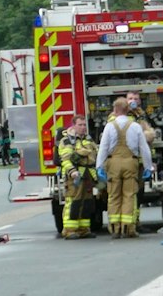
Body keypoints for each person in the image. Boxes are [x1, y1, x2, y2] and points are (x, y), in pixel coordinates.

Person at [97, 95, 153, 238]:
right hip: (131, 163)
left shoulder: (109, 126)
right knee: (129, 195)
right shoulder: (135, 126)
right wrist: (148, 167)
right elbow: (144, 148)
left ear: (115, 110)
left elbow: (103, 148)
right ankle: (128, 228)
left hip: (113, 163)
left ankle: (115, 229)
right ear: (128, 110)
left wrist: (99, 167)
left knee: (114, 195)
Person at [56, 120, 100, 239]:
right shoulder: (66, 140)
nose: (83, 127)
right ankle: (69, 230)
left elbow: (95, 154)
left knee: (87, 202)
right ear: (74, 125)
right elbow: (65, 159)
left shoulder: (88, 139)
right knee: (73, 202)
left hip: (88, 174)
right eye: (80, 125)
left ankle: (84, 229)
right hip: (75, 175)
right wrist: (72, 172)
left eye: (84, 125)